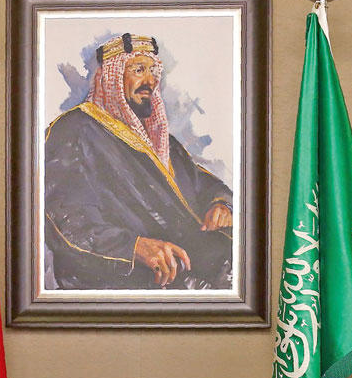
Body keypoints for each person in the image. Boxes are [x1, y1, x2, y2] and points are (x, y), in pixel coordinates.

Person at [43, 33, 234, 290]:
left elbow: (198, 181)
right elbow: (65, 221)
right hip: (119, 288)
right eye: (139, 70)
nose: (150, 81)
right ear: (110, 78)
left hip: (193, 275)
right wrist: (133, 248)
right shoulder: (74, 129)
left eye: (154, 71)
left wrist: (220, 203)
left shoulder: (158, 139)